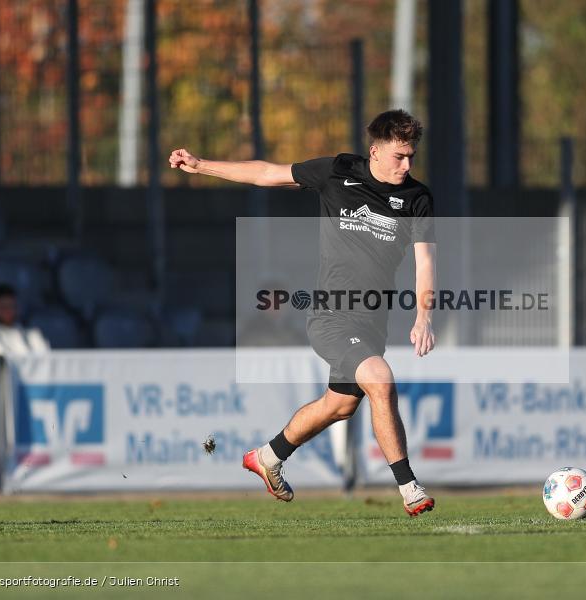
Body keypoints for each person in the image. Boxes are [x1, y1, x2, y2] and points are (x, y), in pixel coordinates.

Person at [169, 109, 437, 516]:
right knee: (380, 380)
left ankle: (268, 457)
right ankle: (409, 487)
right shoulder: (338, 172)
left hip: (371, 322)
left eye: (412, 157)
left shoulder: (418, 198)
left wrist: (424, 316)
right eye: (399, 156)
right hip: (331, 317)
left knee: (340, 405)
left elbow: (426, 263)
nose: (407, 165)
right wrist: (201, 165)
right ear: (375, 152)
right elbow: (265, 173)